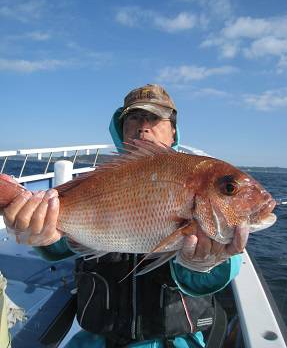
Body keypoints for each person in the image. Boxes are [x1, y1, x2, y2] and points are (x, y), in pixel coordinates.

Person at [2, 84, 249, 348]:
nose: (144, 126)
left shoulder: (194, 174)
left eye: (154, 118)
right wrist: (39, 231)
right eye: (134, 117)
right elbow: (60, 246)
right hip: (96, 339)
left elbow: (222, 273)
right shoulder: (100, 179)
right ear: (121, 130)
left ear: (173, 129)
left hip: (172, 342)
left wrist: (207, 264)